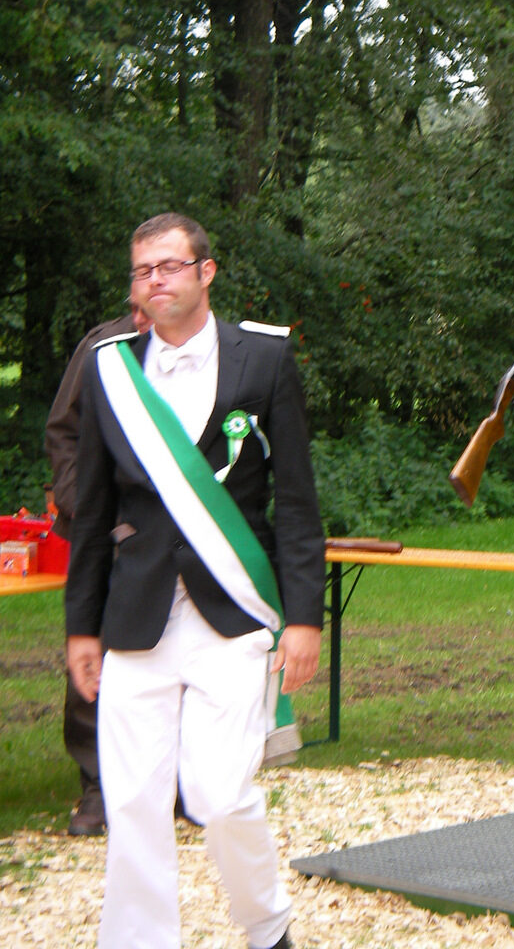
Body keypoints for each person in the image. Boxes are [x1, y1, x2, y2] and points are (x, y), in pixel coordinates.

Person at [65, 213, 325, 949]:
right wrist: (81, 627)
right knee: (133, 801)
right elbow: (93, 510)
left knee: (220, 793)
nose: (156, 280)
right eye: (143, 270)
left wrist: (305, 617)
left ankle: (267, 925)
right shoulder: (109, 369)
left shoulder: (264, 359)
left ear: (206, 272)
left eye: (171, 265)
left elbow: (297, 500)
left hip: (231, 612)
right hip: (135, 613)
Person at [45, 301, 151, 836]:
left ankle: (173, 782)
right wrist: (83, 503)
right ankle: (97, 785)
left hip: (175, 534)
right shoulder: (101, 347)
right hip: (102, 531)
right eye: (143, 276)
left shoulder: (213, 351)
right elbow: (62, 431)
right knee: (95, 652)